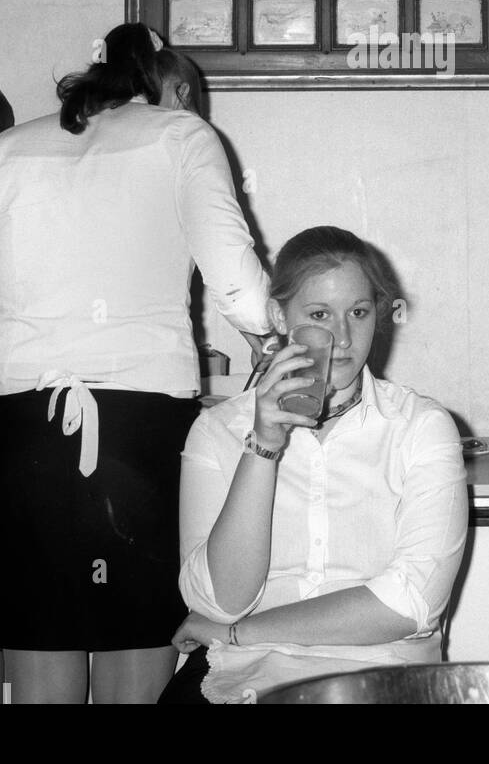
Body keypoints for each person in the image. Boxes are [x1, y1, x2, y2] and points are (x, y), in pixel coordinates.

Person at [0, 22, 269, 704]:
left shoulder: (7, 150)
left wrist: (38, 340)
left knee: (39, 675)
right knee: (137, 673)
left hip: (25, 440)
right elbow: (240, 287)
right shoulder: (182, 136)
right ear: (169, 88)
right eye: (193, 98)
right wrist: (274, 340)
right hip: (141, 439)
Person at [171, 225, 468, 703]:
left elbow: (412, 603)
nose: (344, 337)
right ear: (278, 316)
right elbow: (218, 602)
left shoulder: (420, 426)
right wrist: (263, 447)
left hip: (383, 670)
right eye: (319, 314)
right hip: (244, 674)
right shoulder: (217, 431)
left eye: (358, 312)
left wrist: (239, 634)